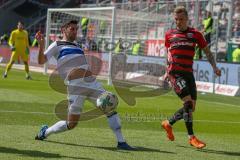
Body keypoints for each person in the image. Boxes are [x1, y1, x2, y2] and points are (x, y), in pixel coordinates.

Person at [34, 20, 133, 150]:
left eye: (76, 29)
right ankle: (45, 132)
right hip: (75, 87)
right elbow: (41, 60)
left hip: (92, 83)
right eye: (72, 29)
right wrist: (41, 45)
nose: (75, 32)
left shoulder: (78, 46)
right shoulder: (57, 44)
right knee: (71, 123)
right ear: (64, 30)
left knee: (109, 108)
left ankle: (121, 142)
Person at [161, 6, 221, 149]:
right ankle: (191, 138)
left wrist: (214, 67)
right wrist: (166, 71)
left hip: (188, 74)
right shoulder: (169, 35)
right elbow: (167, 54)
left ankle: (168, 124)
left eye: (181, 19)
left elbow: (207, 52)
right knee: (187, 104)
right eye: (176, 19)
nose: (178, 22)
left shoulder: (195, 34)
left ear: (187, 19)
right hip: (174, 73)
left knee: (191, 108)